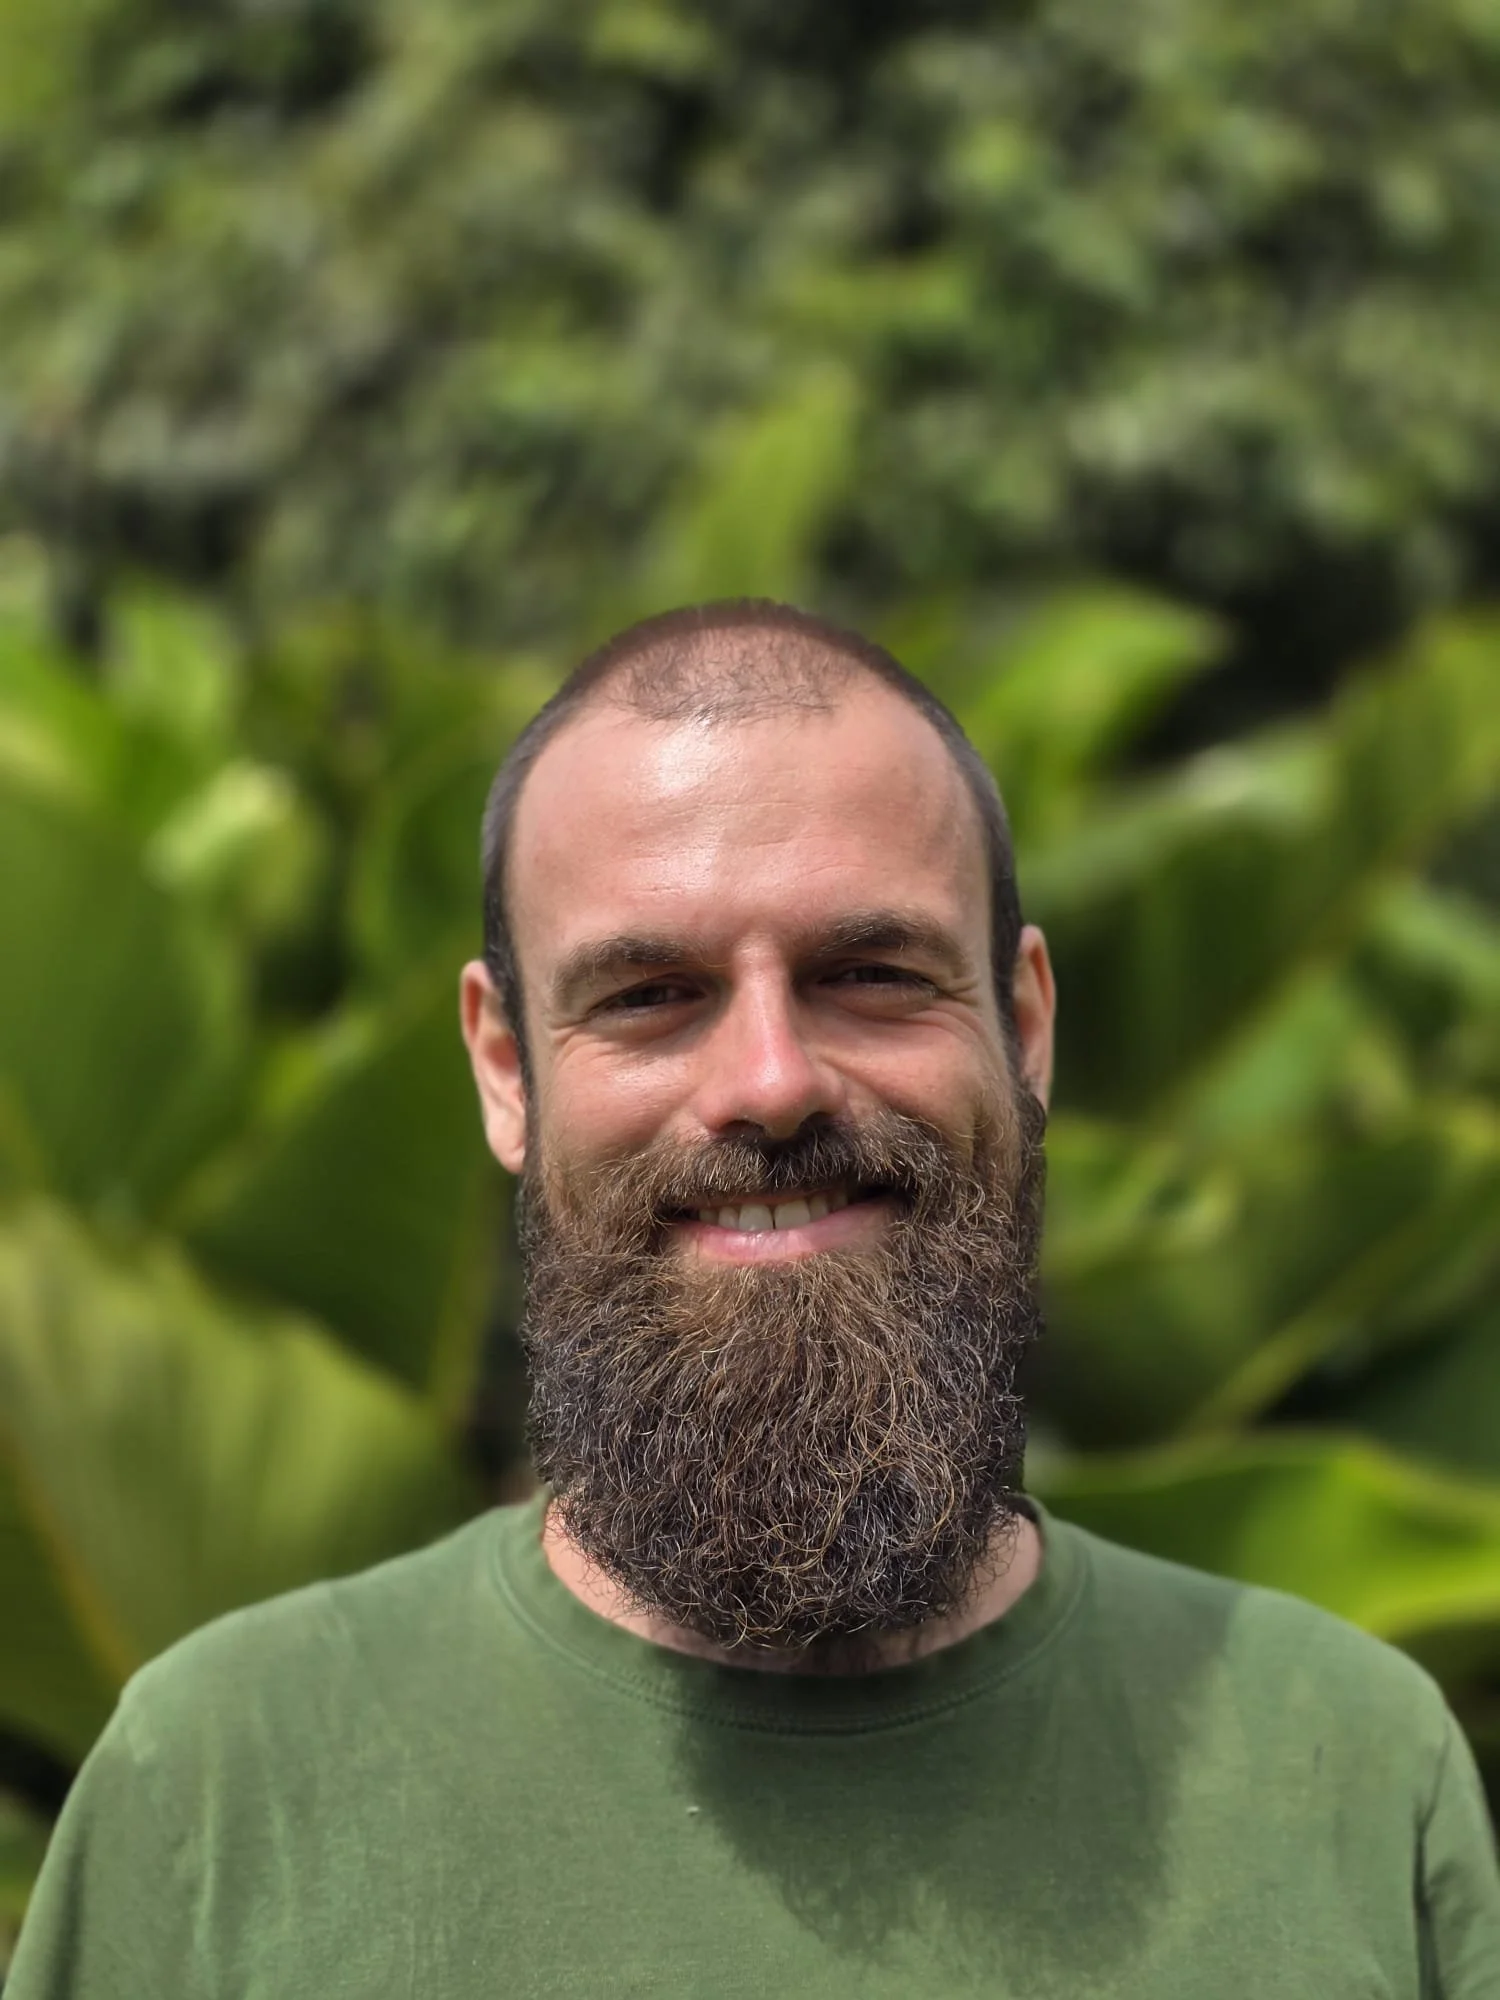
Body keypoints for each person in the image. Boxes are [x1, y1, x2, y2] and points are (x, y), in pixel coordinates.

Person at [8, 599, 1499, 1998]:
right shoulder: (218, 1790)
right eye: (650, 996)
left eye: (872, 972)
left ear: (1025, 1028)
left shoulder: (1354, 1773)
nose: (772, 1082)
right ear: (506, 1072)